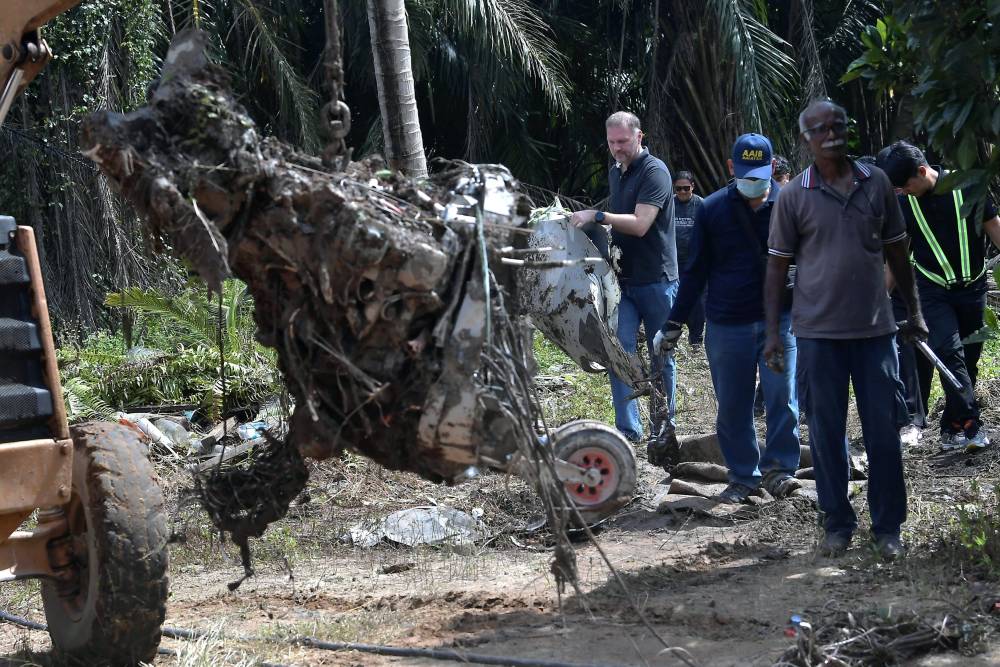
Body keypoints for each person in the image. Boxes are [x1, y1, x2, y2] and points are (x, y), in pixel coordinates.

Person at [764, 100, 928, 560]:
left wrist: (914, 313)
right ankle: (836, 524)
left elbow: (898, 253)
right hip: (818, 335)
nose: (830, 135)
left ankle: (887, 529)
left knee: (882, 433)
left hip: (875, 331)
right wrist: (774, 335)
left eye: (837, 126)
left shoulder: (875, 182)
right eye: (820, 129)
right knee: (826, 434)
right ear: (806, 139)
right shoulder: (794, 195)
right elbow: (776, 270)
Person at [654, 134, 800, 504]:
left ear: (772, 169)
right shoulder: (713, 209)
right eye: (747, 172)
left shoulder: (791, 205)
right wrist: (674, 322)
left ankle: (780, 471)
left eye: (762, 172)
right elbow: (695, 271)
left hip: (778, 324)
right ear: (732, 169)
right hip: (727, 325)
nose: (755, 181)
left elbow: (813, 260)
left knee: (782, 399)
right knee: (733, 405)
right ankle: (743, 477)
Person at [877, 141, 999, 452]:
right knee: (949, 352)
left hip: (973, 288)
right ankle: (973, 424)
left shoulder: (968, 186)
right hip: (932, 291)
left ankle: (951, 427)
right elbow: (898, 258)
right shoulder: (905, 205)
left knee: (969, 362)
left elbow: (994, 228)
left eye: (904, 185)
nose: (902, 191)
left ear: (922, 171)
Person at [571, 111, 678, 443]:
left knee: (661, 353)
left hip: (657, 280)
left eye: (623, 141)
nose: (617, 148)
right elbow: (616, 224)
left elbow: (641, 223)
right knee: (618, 350)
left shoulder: (654, 172)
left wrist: (599, 214)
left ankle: (664, 426)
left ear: (639, 137)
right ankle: (629, 431)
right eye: (612, 142)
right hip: (624, 282)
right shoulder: (617, 172)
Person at [672, 170, 706, 347]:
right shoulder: (668, 204)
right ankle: (672, 337)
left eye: (686, 188)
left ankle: (696, 339)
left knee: (698, 302)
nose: (683, 192)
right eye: (679, 189)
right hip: (673, 261)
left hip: (695, 261)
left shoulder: (701, 204)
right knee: (674, 300)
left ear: (693, 186)